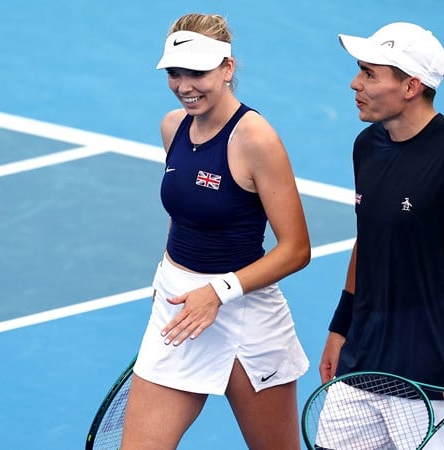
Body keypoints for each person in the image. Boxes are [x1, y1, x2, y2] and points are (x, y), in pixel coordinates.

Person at [318, 22, 444, 450]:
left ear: (411, 86)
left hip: (434, 384)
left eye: (370, 74)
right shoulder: (367, 145)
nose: (355, 83)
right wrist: (341, 327)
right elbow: (369, 237)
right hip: (361, 370)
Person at [121, 13, 311, 450]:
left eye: (198, 72)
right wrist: (166, 274)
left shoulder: (256, 140)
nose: (185, 84)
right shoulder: (173, 126)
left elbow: (297, 250)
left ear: (227, 68)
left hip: (245, 313)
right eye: (175, 72)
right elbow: (186, 211)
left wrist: (218, 292)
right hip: (178, 310)